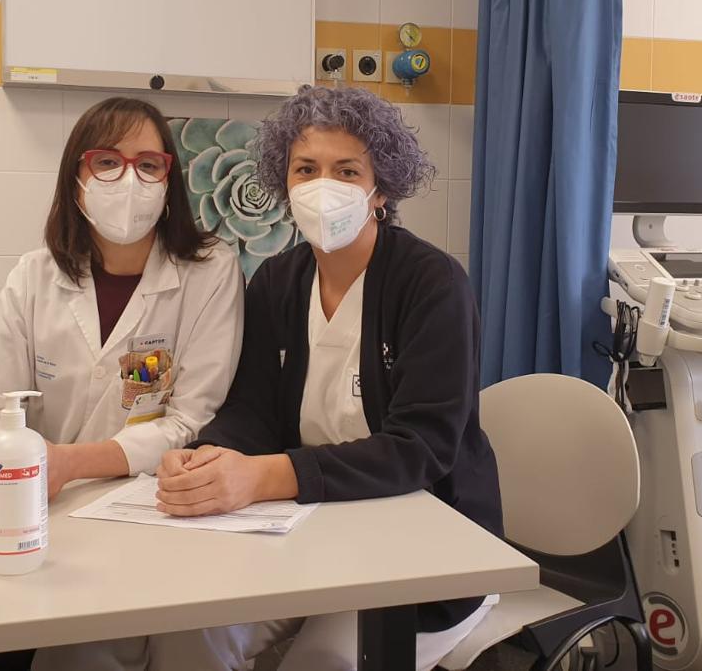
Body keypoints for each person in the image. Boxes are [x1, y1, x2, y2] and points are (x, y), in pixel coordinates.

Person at [147, 85, 503, 671]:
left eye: (347, 171)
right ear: (284, 183)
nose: (322, 187)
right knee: (187, 632)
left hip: (423, 548)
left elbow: (422, 446)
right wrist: (210, 456)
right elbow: (252, 408)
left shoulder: (431, 284)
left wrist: (266, 476)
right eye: (306, 169)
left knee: (325, 662)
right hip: (308, 530)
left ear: (380, 190)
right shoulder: (276, 281)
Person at [0, 96, 244, 671]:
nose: (129, 180)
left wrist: (68, 463)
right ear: (77, 177)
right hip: (39, 511)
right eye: (107, 162)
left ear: (169, 180)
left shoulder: (209, 271)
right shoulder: (35, 275)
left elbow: (192, 420)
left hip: (152, 508)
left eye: (148, 165)